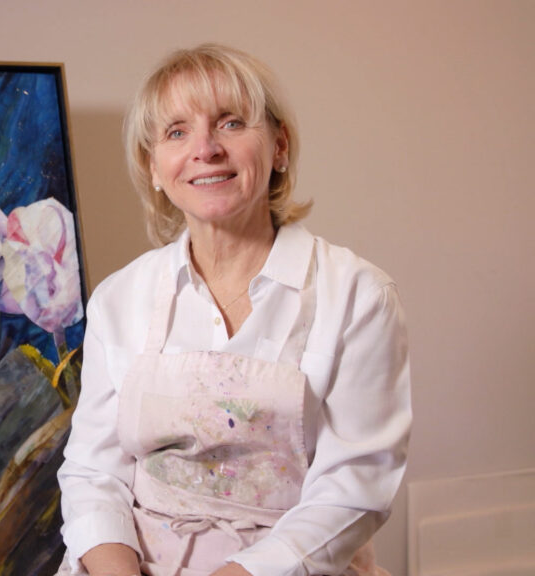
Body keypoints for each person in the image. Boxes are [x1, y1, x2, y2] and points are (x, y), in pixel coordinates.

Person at [56, 43, 411, 576]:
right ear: (153, 167)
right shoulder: (119, 298)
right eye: (177, 132)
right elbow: (92, 472)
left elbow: (353, 488)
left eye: (230, 123)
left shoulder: (359, 296)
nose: (205, 149)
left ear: (280, 147)